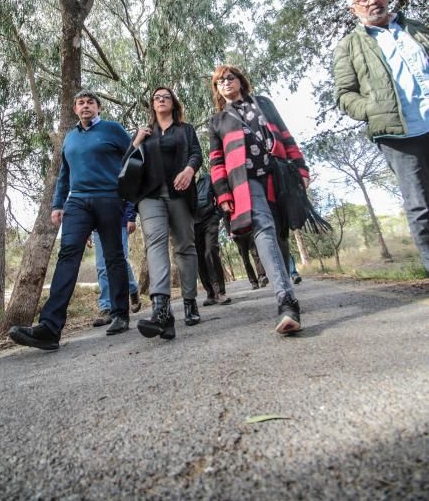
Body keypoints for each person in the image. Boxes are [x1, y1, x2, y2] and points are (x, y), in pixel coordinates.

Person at [9, 91, 132, 350]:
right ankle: (50, 328)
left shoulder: (114, 130)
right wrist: (57, 204)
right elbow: (64, 174)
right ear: (75, 109)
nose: (86, 106)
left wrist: (130, 205)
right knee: (67, 256)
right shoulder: (70, 137)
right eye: (81, 103)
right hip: (77, 202)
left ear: (99, 107)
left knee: (113, 256)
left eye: (91, 102)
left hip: (109, 199)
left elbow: (133, 163)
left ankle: (120, 314)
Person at [334, 0, 429, 274]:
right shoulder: (349, 46)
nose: (372, 0)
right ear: (354, 9)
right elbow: (344, 95)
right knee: (421, 208)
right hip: (401, 135)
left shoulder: (415, 29)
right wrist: (373, 109)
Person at [209, 65, 310, 334]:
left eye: (230, 78)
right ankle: (286, 301)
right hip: (245, 181)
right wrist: (223, 194)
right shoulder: (217, 121)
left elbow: (286, 136)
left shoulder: (263, 103)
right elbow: (216, 162)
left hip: (278, 174)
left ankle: (285, 283)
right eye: (220, 81)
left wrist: (301, 169)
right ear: (217, 90)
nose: (226, 83)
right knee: (262, 228)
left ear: (241, 81)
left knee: (280, 234)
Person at [128, 86, 203, 340]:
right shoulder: (144, 133)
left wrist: (189, 170)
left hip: (179, 193)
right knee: (155, 244)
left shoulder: (185, 129)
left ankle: (190, 301)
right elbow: (127, 164)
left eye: (166, 97)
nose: (161, 100)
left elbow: (196, 153)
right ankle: (161, 309)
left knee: (185, 246)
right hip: (150, 196)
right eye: (156, 98)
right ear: (152, 104)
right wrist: (137, 140)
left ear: (173, 103)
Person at [92, 199, 142, 327]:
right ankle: (106, 307)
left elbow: (129, 192)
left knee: (121, 261)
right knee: (102, 267)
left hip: (120, 221)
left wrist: (131, 217)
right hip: (98, 225)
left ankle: (133, 289)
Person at [194, 171, 231, 306]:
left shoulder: (207, 178)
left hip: (210, 220)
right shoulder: (183, 181)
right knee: (199, 257)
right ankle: (210, 293)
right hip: (192, 224)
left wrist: (216, 215)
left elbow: (219, 198)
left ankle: (220, 292)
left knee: (210, 251)